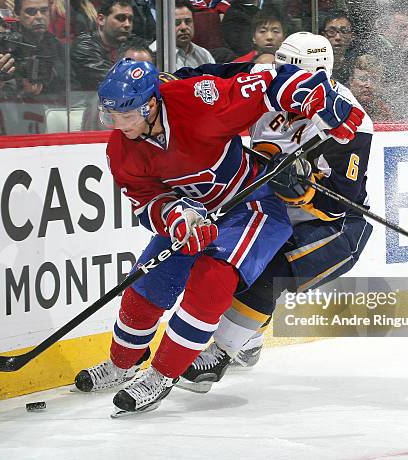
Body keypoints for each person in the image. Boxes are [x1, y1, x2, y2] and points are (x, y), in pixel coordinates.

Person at [73, 57, 364, 416]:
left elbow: (267, 82)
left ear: (150, 105)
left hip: (251, 206)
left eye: (126, 116)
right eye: (111, 116)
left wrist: (315, 97)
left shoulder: (198, 101)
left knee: (212, 282)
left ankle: (161, 376)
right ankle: (121, 364)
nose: (117, 125)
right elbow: (146, 199)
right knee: (146, 284)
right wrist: (176, 218)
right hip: (193, 211)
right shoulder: (120, 149)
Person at [174, 31, 374, 392]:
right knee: (224, 265)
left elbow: (343, 201)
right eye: (278, 65)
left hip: (334, 228)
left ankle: (219, 355)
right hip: (273, 213)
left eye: (288, 70)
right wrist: (174, 83)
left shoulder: (350, 121)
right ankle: (248, 340)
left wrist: (304, 190)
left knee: (268, 277)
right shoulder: (275, 81)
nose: (277, 75)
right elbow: (213, 78)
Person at [70, 0, 135, 90]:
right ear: (101, 20)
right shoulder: (84, 46)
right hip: (85, 102)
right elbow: (116, 80)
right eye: (120, 18)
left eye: (130, 19)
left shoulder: (131, 43)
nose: (127, 24)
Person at [320, 10, 358, 84]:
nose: (338, 37)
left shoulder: (357, 64)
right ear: (323, 35)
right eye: (331, 32)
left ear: (352, 36)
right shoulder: (315, 63)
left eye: (344, 31)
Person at [175, 0, 215, 69]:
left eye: (188, 21)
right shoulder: (155, 56)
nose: (183, 27)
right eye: (177, 23)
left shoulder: (205, 55)